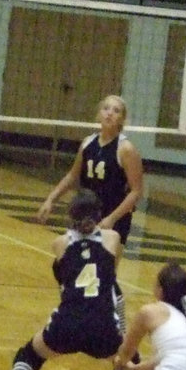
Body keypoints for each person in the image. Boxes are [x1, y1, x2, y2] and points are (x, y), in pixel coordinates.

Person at [0, 189, 123, 370]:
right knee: (128, 361)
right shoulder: (113, 238)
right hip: (102, 324)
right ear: (98, 215)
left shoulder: (60, 244)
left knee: (30, 353)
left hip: (68, 322)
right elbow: (112, 280)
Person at [36, 94, 144, 352]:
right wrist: (51, 198)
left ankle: (120, 330)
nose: (109, 113)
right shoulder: (87, 144)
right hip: (85, 218)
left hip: (112, 220)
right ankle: (75, 311)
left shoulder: (125, 149)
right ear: (98, 114)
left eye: (116, 110)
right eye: (106, 108)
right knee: (65, 265)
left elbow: (136, 191)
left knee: (105, 275)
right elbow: (74, 176)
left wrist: (112, 218)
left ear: (121, 120)